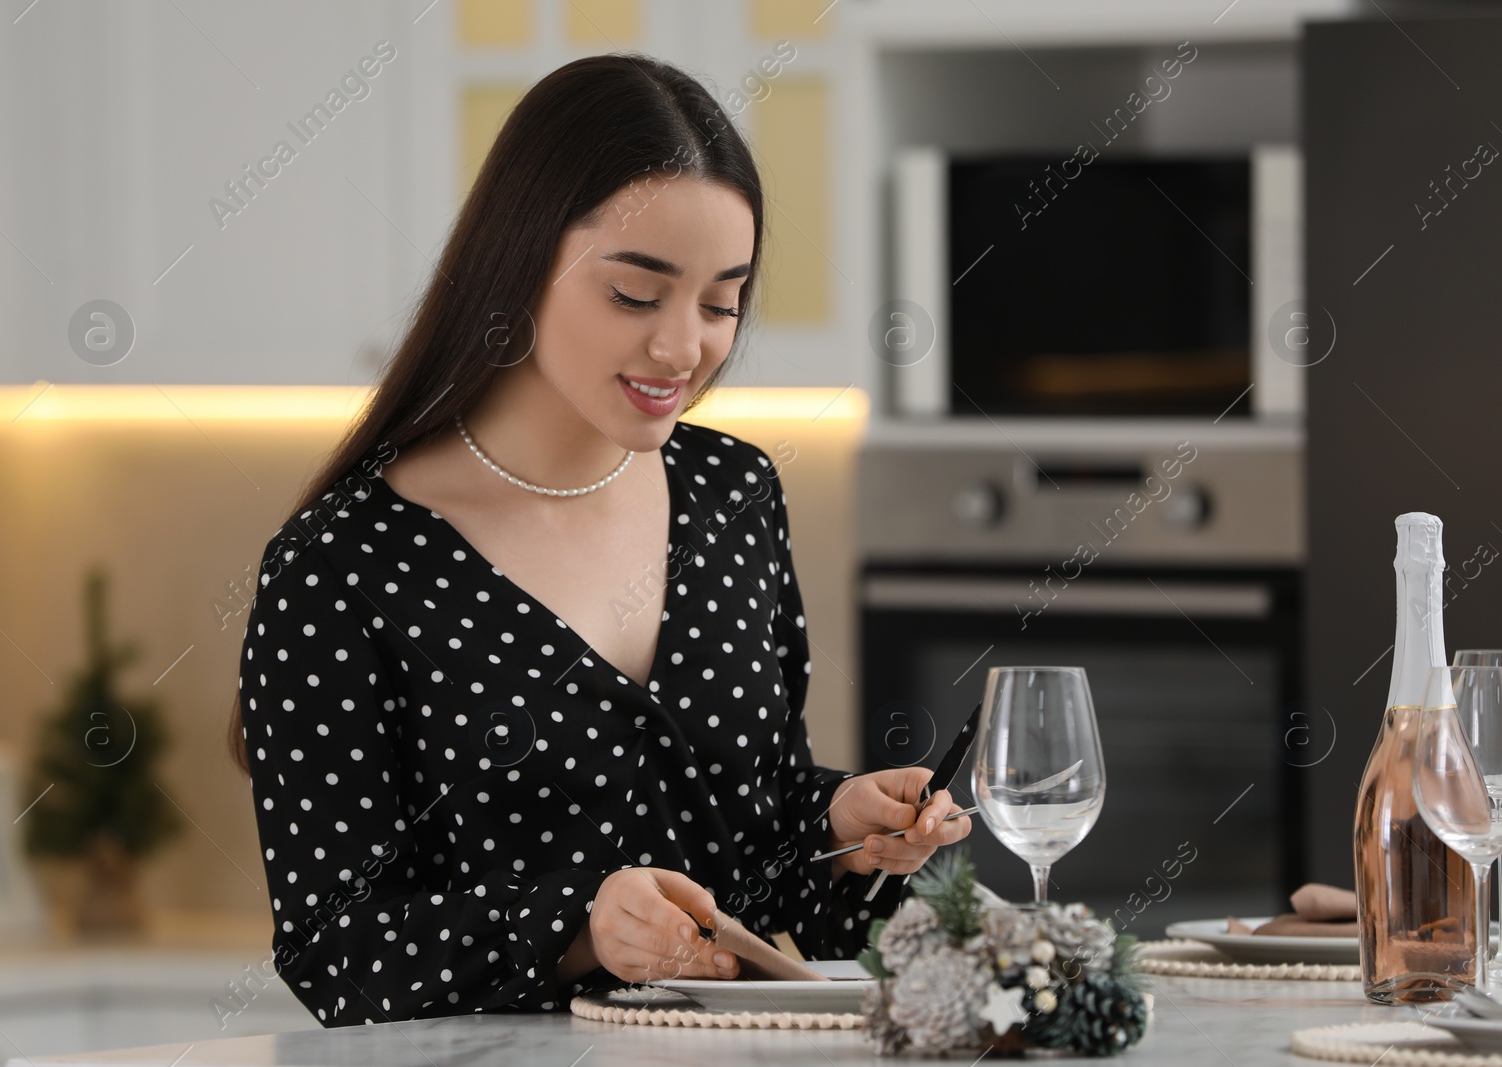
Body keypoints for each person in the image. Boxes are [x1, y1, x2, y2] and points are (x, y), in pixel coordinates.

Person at [227, 52, 969, 1027]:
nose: (683, 349)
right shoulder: (342, 566)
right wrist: (580, 925)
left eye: (719, 301)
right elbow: (332, 948)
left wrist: (838, 831)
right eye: (635, 294)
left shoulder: (734, 491)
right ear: (519, 261)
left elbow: (756, 851)